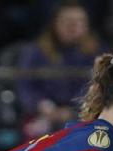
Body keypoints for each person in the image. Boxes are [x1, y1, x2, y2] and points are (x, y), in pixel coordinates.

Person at [17, 0, 105, 140]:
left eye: (79, 22)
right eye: (67, 22)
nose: (73, 27)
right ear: (55, 24)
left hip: (82, 114)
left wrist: (72, 110)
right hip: (42, 113)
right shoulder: (36, 52)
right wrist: (42, 105)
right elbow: (26, 86)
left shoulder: (97, 53)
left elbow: (98, 88)